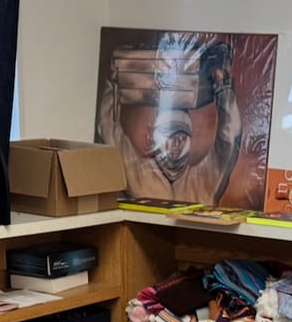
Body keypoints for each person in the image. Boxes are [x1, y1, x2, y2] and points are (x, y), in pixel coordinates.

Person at [98, 34, 243, 204]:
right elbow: (108, 129)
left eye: (182, 136)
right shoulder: (138, 172)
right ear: (154, 136)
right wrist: (113, 84)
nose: (176, 143)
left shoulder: (205, 178)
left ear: (190, 139)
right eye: (169, 134)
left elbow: (228, 138)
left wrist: (223, 87)